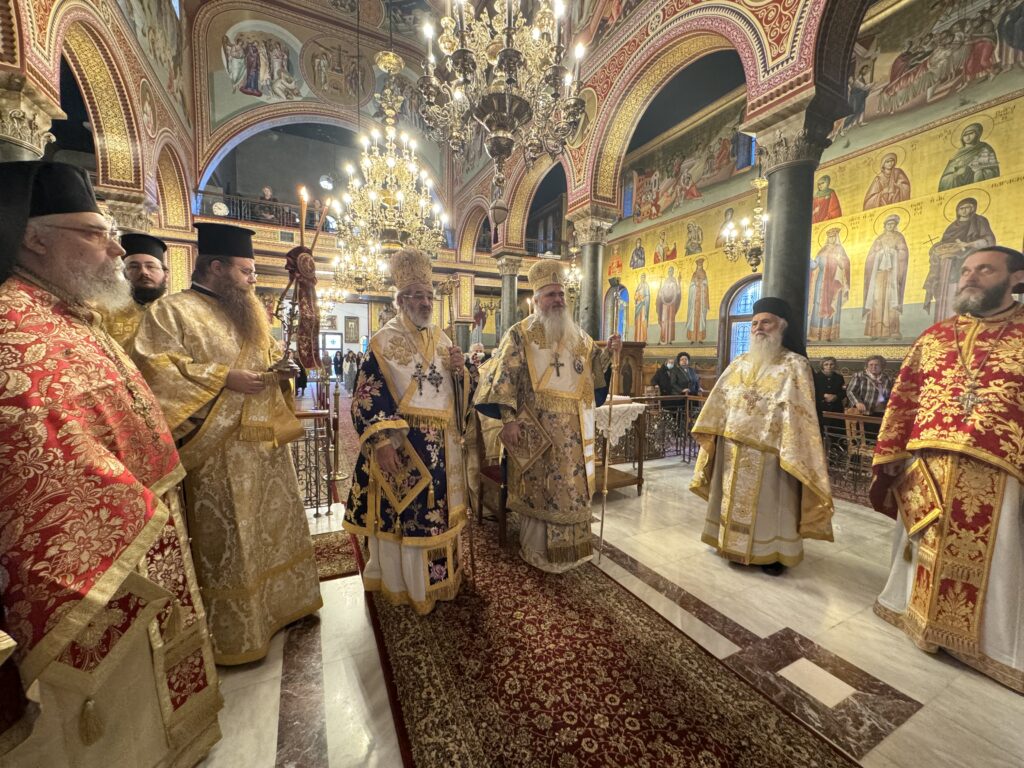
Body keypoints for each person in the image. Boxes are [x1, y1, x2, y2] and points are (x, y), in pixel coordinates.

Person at [0, 161, 221, 765]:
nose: (119, 250)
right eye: (98, 233)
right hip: (105, 552)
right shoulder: (15, 328)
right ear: (34, 237)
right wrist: (142, 511)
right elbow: (36, 453)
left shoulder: (66, 313)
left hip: (138, 526)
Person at [132, 221, 322, 665]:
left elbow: (267, 362)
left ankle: (286, 605)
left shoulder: (251, 312)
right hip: (216, 452)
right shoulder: (172, 312)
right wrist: (224, 378)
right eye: (246, 271)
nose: (253, 279)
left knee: (273, 527)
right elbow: (155, 371)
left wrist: (283, 372)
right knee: (232, 538)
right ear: (215, 267)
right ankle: (240, 628)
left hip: (264, 445)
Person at [871, 245, 1024, 694]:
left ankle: (992, 645)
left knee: (1002, 556)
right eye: (966, 270)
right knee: (923, 545)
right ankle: (912, 613)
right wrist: (891, 454)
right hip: (928, 466)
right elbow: (904, 398)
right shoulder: (935, 337)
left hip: (1001, 473)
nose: (970, 276)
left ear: (1016, 278)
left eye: (985, 269)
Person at [343, 248, 471, 613]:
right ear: (400, 300)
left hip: (443, 448)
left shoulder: (443, 339)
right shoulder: (383, 341)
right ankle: (408, 587)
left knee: (438, 516)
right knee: (406, 518)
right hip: (403, 445)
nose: (425, 302)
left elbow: (457, 394)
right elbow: (366, 395)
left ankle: (442, 580)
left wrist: (462, 372)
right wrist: (382, 441)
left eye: (429, 295)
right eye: (416, 295)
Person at [474, 261, 622, 572]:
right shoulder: (520, 334)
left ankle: (573, 551)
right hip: (535, 430)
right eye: (551, 294)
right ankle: (537, 551)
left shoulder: (578, 336)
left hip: (573, 434)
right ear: (537, 298)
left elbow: (593, 371)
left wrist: (609, 353)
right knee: (539, 491)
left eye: (561, 294)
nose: (558, 300)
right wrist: (508, 420)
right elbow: (504, 379)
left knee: (572, 490)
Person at [689, 297, 834, 575]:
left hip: (772, 452)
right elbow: (720, 399)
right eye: (754, 323)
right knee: (730, 500)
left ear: (782, 326)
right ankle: (730, 545)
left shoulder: (795, 365)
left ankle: (772, 555)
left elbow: (801, 412)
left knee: (772, 507)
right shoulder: (739, 363)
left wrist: (787, 443)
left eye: (766, 322)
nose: (758, 328)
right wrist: (713, 431)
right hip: (732, 447)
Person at [923, 197, 996, 323]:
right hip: (948, 265)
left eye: (968, 207)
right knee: (948, 291)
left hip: (970, 262)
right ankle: (946, 322)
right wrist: (939, 249)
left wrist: (968, 245)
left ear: (973, 209)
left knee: (964, 290)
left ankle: (968, 321)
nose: (964, 210)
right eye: (961, 208)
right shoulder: (952, 226)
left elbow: (988, 241)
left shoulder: (979, 221)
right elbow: (945, 243)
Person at [103, 231, 169, 349]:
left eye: (150, 266)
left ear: (166, 274)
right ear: (122, 272)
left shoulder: (177, 312)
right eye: (134, 267)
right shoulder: (104, 313)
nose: (144, 272)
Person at [863, 214, 910, 339]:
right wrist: (879, 253)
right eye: (888, 224)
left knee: (891, 300)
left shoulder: (899, 237)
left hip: (891, 275)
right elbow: (870, 257)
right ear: (885, 225)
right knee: (877, 300)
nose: (890, 226)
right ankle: (875, 332)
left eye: (892, 224)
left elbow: (903, 253)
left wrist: (893, 253)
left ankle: (892, 331)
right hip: (879, 275)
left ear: (895, 225)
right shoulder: (879, 239)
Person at [808, 227, 851, 341]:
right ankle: (815, 334)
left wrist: (839, 261)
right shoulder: (823, 250)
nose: (831, 239)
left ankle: (829, 335)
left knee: (830, 305)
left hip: (833, 282)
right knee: (818, 303)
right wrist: (808, 258)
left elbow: (845, 263)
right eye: (829, 237)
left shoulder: (839, 249)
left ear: (836, 237)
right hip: (821, 280)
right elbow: (814, 265)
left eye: (833, 237)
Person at [938, 123, 1000, 191]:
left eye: (971, 133)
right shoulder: (958, 153)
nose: (967, 137)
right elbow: (947, 173)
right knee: (949, 178)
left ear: (977, 134)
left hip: (975, 176)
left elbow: (991, 168)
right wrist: (956, 173)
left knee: (979, 173)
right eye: (965, 135)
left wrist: (972, 169)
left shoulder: (984, 148)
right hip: (958, 181)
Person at [846, 355, 893, 439]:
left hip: (881, 412)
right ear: (867, 365)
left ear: (882, 366)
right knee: (865, 437)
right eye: (871, 364)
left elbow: (891, 395)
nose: (873, 367)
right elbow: (850, 391)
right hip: (864, 411)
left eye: (876, 365)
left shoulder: (888, 378)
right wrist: (858, 402)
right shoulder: (859, 376)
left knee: (878, 436)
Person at [814, 356, 846, 448]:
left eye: (831, 364)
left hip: (836, 409)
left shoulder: (839, 377)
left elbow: (843, 392)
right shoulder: (816, 377)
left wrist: (836, 396)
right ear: (822, 366)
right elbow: (812, 391)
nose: (829, 366)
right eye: (826, 364)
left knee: (837, 434)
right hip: (821, 408)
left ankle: (837, 453)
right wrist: (823, 395)